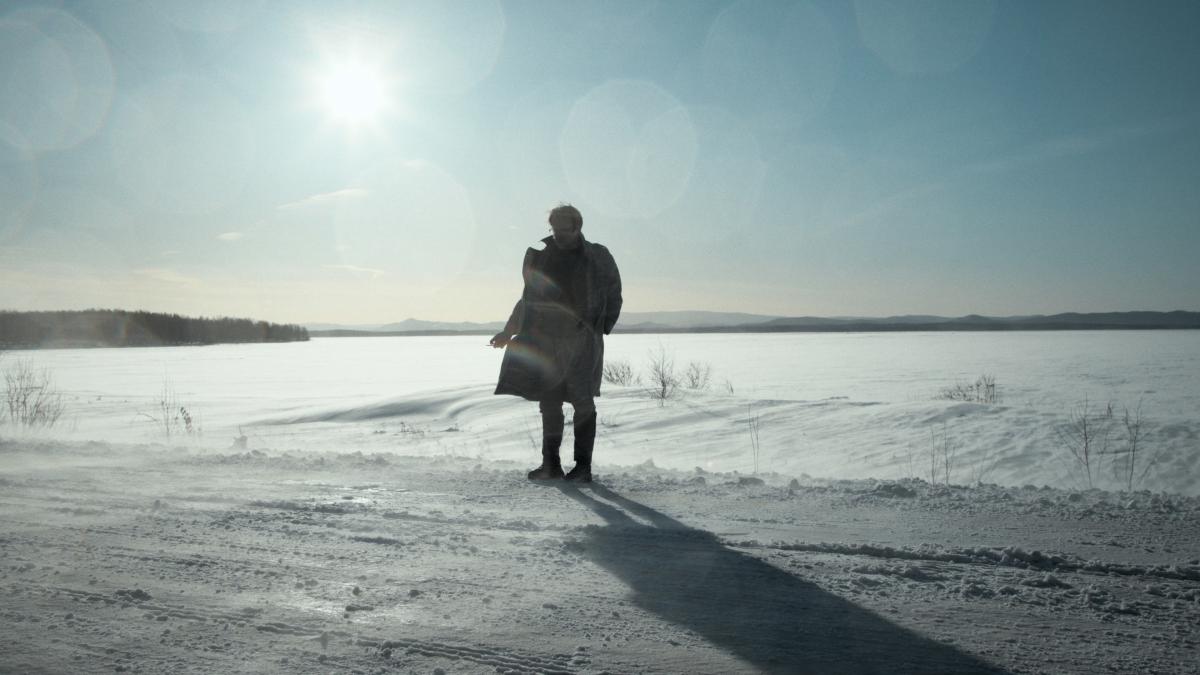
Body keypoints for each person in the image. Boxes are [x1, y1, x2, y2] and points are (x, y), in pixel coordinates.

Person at [490, 204, 622, 482]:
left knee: (582, 402)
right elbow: (527, 300)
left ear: (578, 227)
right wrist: (508, 331)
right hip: (544, 341)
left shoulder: (598, 256)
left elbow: (614, 294)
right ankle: (550, 464)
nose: (559, 234)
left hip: (580, 342)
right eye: (554, 228)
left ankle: (582, 468)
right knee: (549, 402)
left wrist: (598, 327)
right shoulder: (542, 257)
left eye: (564, 228)